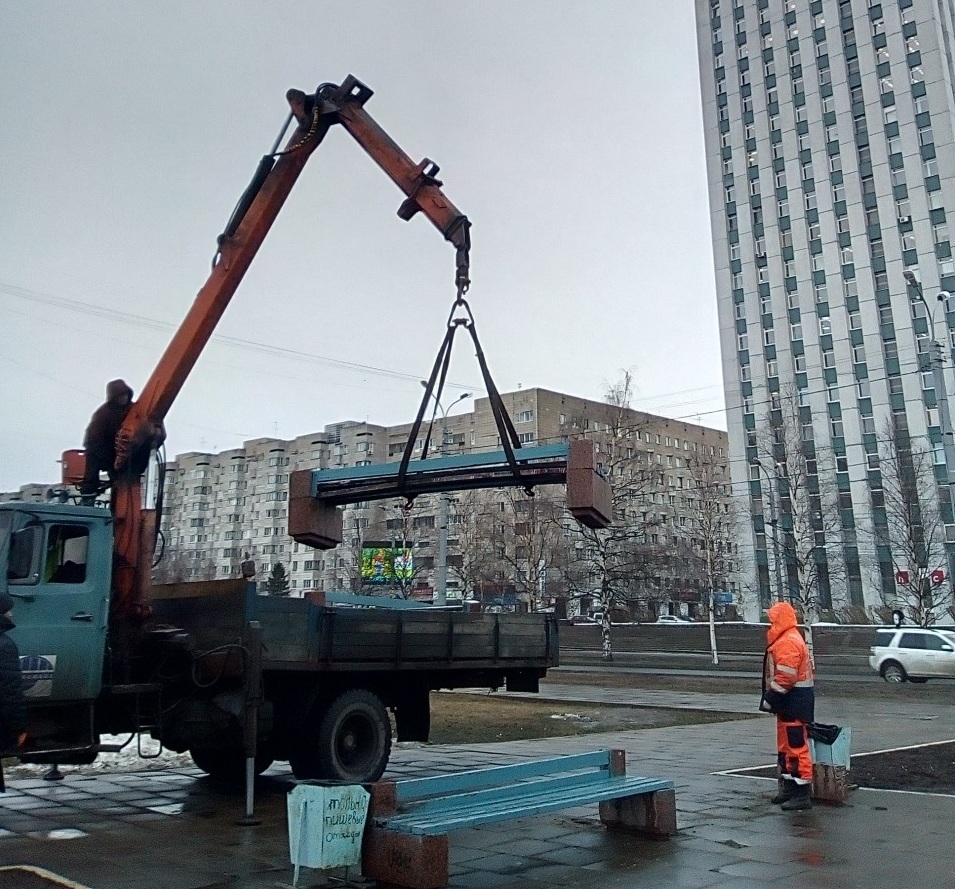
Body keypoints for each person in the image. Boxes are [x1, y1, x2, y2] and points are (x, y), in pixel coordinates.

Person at [760, 600, 815, 811]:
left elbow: (786, 677)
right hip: (791, 702)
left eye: (772, 620)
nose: (770, 623)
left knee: (796, 747)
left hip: (793, 701)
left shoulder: (787, 641)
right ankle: (791, 787)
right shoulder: (788, 637)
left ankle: (801, 793)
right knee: (786, 746)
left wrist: (770, 697)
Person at [79, 379, 134, 503]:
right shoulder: (103, 414)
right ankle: (88, 499)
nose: (124, 398)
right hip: (99, 447)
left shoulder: (132, 409)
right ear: (114, 397)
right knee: (91, 475)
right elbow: (93, 438)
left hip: (118, 448)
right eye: (121, 395)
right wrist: (106, 458)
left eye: (125, 395)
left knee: (120, 479)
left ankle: (118, 505)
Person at [0, 593, 27, 791]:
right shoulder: (5, 646)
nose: (11, 614)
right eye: (8, 610)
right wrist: (19, 726)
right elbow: (10, 692)